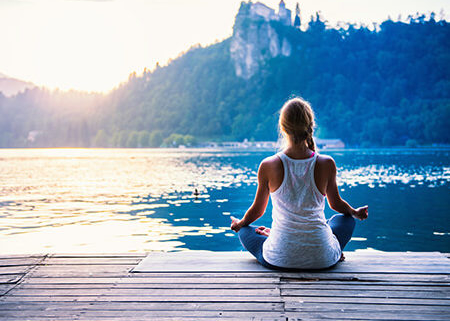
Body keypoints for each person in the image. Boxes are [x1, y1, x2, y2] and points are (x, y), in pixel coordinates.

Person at [230, 97, 368, 270]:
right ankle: (332, 250)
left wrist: (240, 224)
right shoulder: (326, 163)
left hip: (279, 259)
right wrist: (355, 212)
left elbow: (258, 211)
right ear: (311, 126)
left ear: (282, 128)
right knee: (346, 219)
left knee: (245, 230)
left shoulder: (268, 165)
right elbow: (336, 204)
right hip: (322, 259)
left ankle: (274, 238)